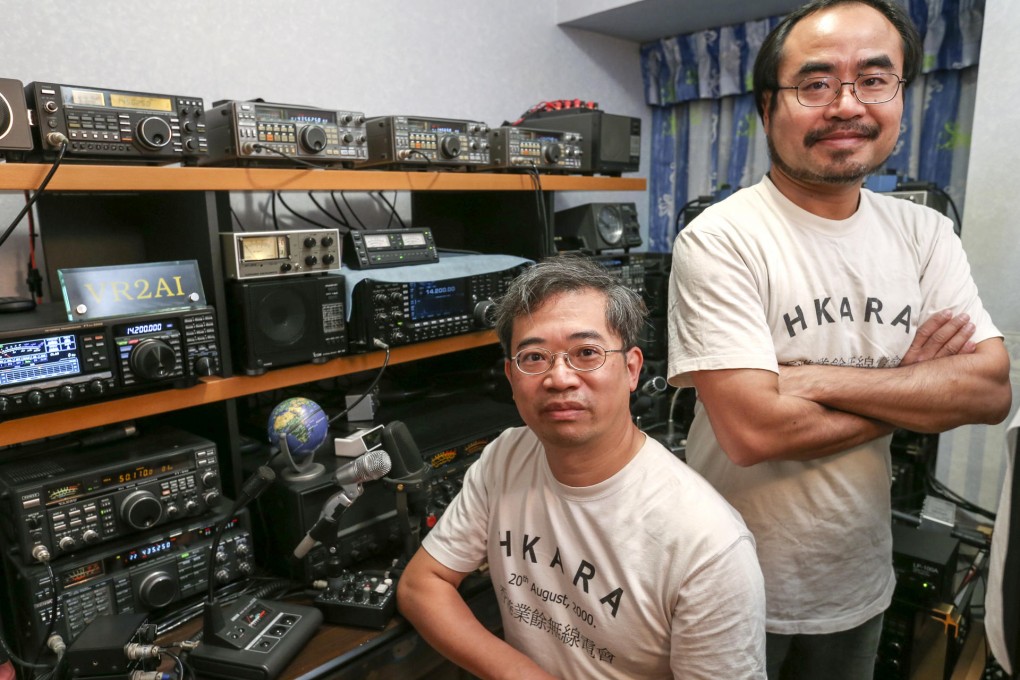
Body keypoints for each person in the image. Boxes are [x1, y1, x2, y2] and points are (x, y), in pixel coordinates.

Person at [667, 0, 1013, 678]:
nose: (846, 105)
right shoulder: (721, 238)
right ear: (768, 108)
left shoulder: (926, 234)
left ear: (901, 99)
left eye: (874, 80)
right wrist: (913, 386)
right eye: (816, 83)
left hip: (856, 573)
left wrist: (807, 378)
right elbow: (754, 432)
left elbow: (990, 389)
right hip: (729, 579)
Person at [398, 256, 766, 679]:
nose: (559, 378)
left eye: (586, 353)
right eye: (534, 357)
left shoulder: (708, 545)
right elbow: (421, 585)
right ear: (510, 376)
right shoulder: (507, 457)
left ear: (631, 369)